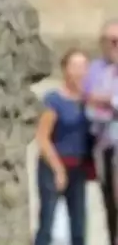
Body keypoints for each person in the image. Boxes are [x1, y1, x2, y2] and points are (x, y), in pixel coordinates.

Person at [34, 49, 91, 245]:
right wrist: (58, 170)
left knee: (79, 227)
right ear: (64, 69)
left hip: (78, 169)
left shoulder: (88, 100)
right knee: (47, 223)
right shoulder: (54, 100)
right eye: (74, 66)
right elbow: (42, 138)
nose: (79, 71)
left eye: (83, 66)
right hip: (53, 166)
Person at [84, 18, 118, 243]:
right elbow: (88, 103)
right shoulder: (95, 69)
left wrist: (108, 100)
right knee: (109, 201)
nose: (114, 45)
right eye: (110, 40)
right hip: (103, 143)